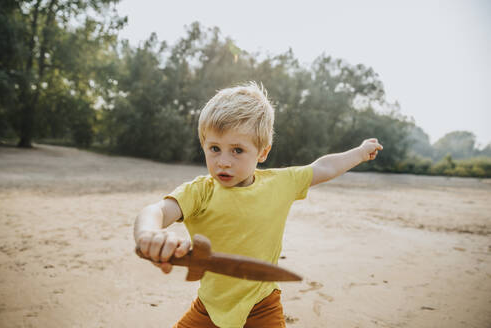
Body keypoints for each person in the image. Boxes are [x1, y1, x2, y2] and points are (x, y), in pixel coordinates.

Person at [133, 82, 383, 328]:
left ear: (262, 153)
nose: (223, 162)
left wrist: (360, 153)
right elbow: (157, 210)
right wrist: (149, 233)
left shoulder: (280, 183)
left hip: (263, 303)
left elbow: (323, 167)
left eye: (237, 150)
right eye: (215, 148)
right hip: (211, 306)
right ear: (204, 146)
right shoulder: (199, 191)